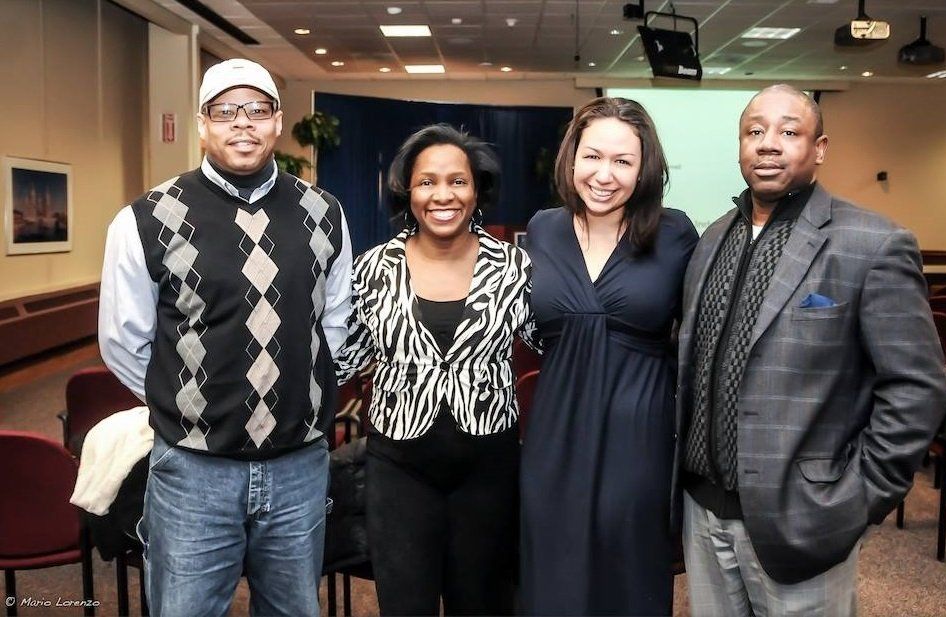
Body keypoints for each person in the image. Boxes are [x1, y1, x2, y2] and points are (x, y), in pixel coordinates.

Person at [672, 84, 946, 616]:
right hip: (702, 513)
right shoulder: (710, 240)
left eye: (789, 131)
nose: (768, 144)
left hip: (805, 515)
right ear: (739, 145)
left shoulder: (872, 243)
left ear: (819, 148)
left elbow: (917, 387)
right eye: (755, 131)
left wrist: (857, 501)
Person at [99, 58, 352, 617]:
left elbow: (332, 323)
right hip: (192, 472)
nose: (243, 123)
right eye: (225, 111)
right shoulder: (146, 218)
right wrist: (188, 406)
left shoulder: (324, 212)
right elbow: (124, 341)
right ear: (202, 124)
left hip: (297, 467)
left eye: (257, 110)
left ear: (278, 121)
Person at [335, 124, 536, 616]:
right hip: (399, 471)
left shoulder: (515, 267)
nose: (442, 195)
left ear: (477, 189)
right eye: (427, 182)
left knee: (486, 605)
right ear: (407, 191)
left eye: (457, 181)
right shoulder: (371, 269)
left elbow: (557, 345)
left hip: (489, 472)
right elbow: (340, 360)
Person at [520, 97, 699, 615]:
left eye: (623, 161)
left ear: (645, 169)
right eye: (593, 156)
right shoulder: (543, 229)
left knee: (629, 576)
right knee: (553, 575)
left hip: (639, 438)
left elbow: (701, 337)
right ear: (571, 157)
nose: (605, 175)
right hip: (554, 433)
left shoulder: (675, 233)